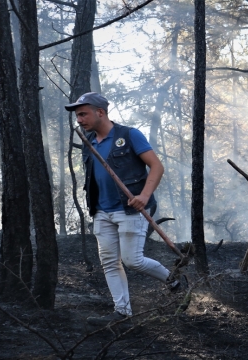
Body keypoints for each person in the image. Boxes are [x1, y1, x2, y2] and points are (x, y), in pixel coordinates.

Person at [65, 92, 183, 327]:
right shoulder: (88, 143)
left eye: (83, 114)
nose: (79, 120)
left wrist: (144, 196)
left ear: (101, 112)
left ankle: (174, 281)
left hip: (130, 208)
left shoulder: (129, 135)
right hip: (101, 210)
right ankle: (122, 312)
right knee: (110, 262)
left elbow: (156, 167)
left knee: (132, 260)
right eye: (78, 115)